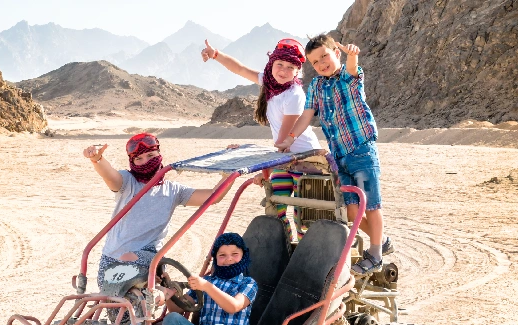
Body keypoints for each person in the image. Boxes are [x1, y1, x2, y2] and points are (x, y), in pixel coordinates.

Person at [275, 34, 394, 275]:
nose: (321, 64)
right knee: (350, 209)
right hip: (338, 156)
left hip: (361, 149)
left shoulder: (349, 77)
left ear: (335, 53)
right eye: (315, 62)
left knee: (370, 204)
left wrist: (353, 56)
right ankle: (381, 240)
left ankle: (375, 254)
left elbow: (352, 68)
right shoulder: (317, 86)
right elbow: (307, 114)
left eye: (324, 57)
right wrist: (290, 138)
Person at [201, 38, 321, 241]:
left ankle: (303, 253)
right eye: (279, 64)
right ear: (271, 64)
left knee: (304, 216)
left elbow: (283, 141)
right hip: (285, 160)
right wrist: (216, 55)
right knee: (276, 209)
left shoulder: (294, 95)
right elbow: (239, 69)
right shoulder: (269, 82)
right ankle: (286, 250)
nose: (283, 71)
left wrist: (266, 171)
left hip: (305, 160)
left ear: (298, 71)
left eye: (290, 67)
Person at [83, 133, 234, 289]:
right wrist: (97, 159)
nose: (146, 161)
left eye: (150, 155)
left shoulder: (173, 190)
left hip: (149, 261)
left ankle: (162, 291)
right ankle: (161, 292)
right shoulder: (127, 182)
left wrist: (230, 170)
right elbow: (110, 175)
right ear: (132, 161)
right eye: (139, 159)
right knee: (119, 310)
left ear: (159, 155)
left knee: (140, 297)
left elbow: (213, 197)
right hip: (111, 262)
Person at [162, 233, 258, 325]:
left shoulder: (248, 283)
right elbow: (177, 309)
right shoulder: (207, 281)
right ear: (215, 259)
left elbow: (234, 306)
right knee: (172, 319)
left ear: (243, 256)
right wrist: (167, 290)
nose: (229, 259)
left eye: (234, 254)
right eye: (222, 255)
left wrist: (207, 287)